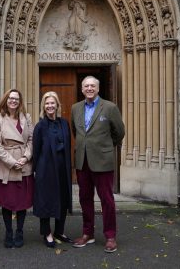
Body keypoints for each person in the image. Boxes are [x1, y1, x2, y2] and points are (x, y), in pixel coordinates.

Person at [71, 76, 125, 253]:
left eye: (92, 85)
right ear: (82, 89)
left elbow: (119, 132)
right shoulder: (75, 108)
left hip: (102, 161)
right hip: (82, 161)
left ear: (98, 88)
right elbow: (76, 132)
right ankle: (88, 233)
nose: (89, 88)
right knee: (84, 199)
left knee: (106, 200)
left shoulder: (109, 107)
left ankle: (110, 236)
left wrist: (105, 148)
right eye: (86, 86)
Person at [0, 89, 34, 248]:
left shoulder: (26, 117)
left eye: (16, 98)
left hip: (24, 164)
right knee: (7, 202)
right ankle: (9, 232)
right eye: (10, 98)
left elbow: (31, 140)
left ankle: (20, 231)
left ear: (20, 101)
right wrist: (12, 162)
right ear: (5, 100)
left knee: (22, 202)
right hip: (6, 166)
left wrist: (26, 157)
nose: (13, 101)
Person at [33, 91, 72, 248]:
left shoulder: (64, 123)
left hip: (63, 168)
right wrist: (36, 170)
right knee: (46, 200)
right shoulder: (40, 126)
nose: (50, 106)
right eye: (47, 103)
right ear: (43, 106)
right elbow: (36, 150)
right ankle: (46, 232)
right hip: (46, 168)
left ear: (57, 105)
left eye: (52, 103)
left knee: (62, 199)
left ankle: (59, 231)